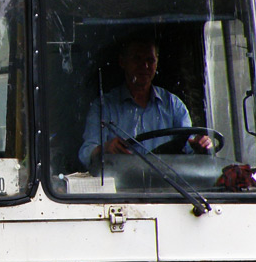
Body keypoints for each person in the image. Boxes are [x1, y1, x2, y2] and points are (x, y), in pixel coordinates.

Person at [78, 36, 212, 169]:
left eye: (150, 60)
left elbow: (188, 146)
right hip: (120, 185)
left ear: (157, 63)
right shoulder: (104, 106)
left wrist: (199, 144)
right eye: (137, 59)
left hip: (167, 185)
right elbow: (86, 153)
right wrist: (105, 148)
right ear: (122, 62)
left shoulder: (173, 105)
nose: (145, 66)